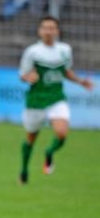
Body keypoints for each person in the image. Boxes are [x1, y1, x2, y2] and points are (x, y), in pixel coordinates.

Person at [18, 15, 93, 184]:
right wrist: (29, 77)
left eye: (52, 28)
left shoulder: (65, 50)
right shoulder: (33, 52)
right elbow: (23, 74)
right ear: (39, 31)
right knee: (31, 137)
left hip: (56, 97)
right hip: (36, 99)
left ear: (57, 31)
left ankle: (49, 153)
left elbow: (66, 72)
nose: (48, 31)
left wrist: (81, 82)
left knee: (61, 133)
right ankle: (23, 171)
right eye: (45, 28)